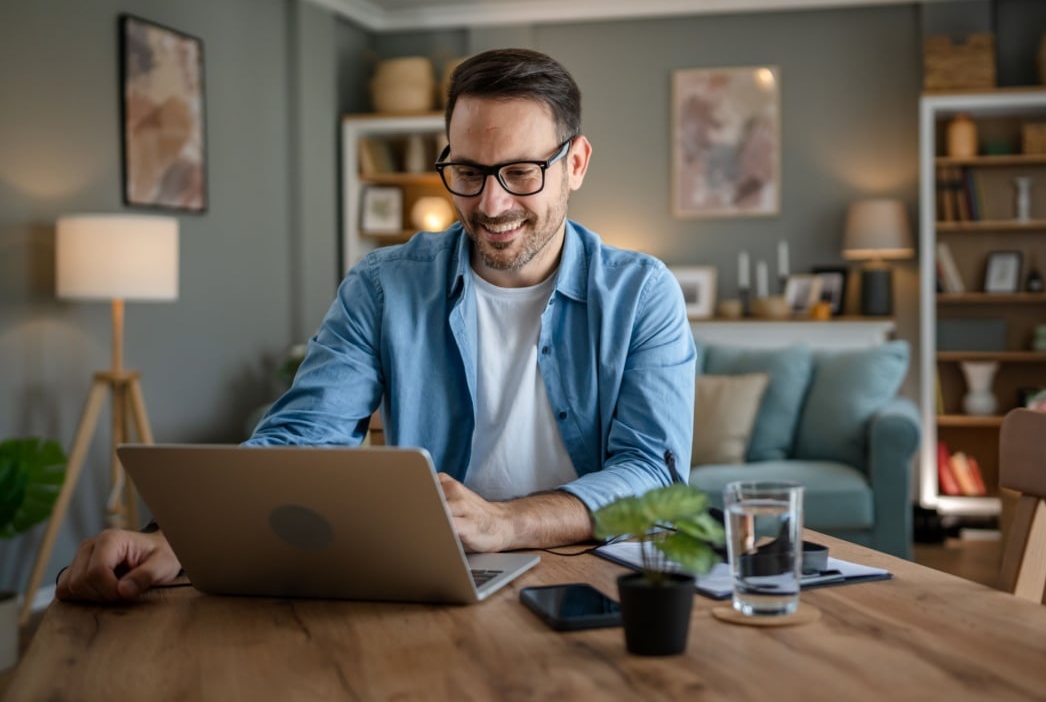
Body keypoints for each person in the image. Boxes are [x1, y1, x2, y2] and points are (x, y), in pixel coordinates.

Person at [55, 48, 696, 604]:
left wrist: (506, 523)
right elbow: (305, 436)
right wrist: (174, 538)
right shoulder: (384, 285)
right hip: (435, 580)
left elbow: (653, 472)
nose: (491, 203)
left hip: (597, 581)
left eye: (521, 173)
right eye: (467, 173)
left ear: (576, 163)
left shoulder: (642, 294)